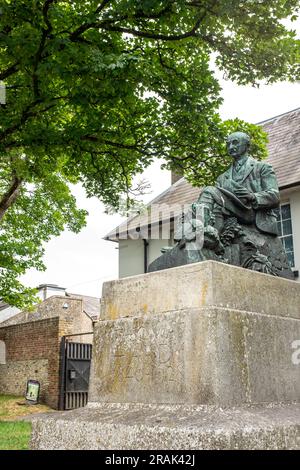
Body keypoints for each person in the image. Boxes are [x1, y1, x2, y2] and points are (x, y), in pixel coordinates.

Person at [195, 131, 279, 236]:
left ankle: (198, 225)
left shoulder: (262, 168)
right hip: (231, 213)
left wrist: (253, 196)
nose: (231, 147)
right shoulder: (222, 178)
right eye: (228, 144)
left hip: (253, 213)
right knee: (214, 201)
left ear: (247, 146)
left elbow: (275, 196)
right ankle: (208, 232)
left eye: (235, 142)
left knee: (209, 190)